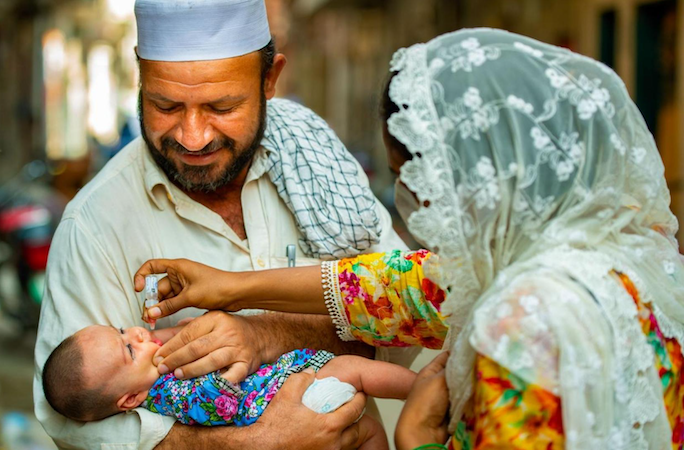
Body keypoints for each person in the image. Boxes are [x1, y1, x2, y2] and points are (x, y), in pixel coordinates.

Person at [135, 28, 684, 449]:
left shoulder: (523, 319)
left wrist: (416, 437)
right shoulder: (620, 257)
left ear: (477, 180)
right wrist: (230, 288)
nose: (413, 205)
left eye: (415, 183)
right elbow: (383, 288)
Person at [33, 0, 415, 448]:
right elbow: (71, 424)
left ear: (269, 80)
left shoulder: (321, 170)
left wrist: (265, 334)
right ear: (140, 77)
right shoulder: (94, 226)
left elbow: (410, 317)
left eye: (222, 106)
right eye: (167, 105)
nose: (193, 137)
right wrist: (243, 443)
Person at [41, 325, 435, 450]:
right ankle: (429, 394)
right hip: (278, 404)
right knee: (353, 370)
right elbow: (222, 407)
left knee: (365, 428)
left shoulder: (158, 378)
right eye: (129, 347)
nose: (138, 333)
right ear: (130, 399)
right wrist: (225, 372)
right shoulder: (171, 393)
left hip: (274, 398)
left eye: (123, 330)